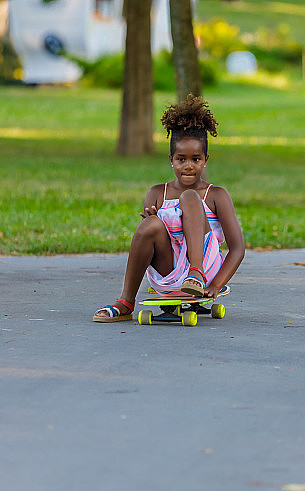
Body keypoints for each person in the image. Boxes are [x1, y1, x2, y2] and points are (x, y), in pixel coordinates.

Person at [93, 95, 245, 323]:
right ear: (171, 160)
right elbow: (150, 245)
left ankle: (195, 272)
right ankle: (126, 301)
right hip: (170, 272)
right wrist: (152, 223)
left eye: (196, 159)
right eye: (181, 159)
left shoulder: (216, 195)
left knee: (190, 197)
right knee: (151, 224)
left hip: (205, 271)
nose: (188, 166)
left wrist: (216, 285)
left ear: (206, 159)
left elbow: (237, 249)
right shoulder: (157, 193)